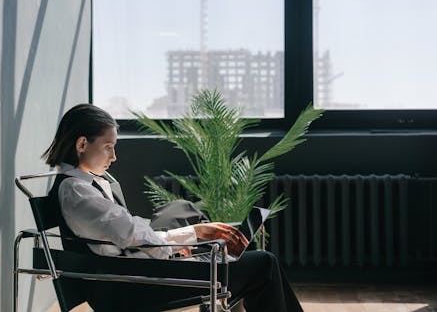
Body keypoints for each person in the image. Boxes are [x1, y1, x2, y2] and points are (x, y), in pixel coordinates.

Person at [42, 103, 303, 312]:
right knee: (264, 264)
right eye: (108, 147)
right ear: (81, 145)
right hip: (132, 286)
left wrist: (194, 233)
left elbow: (129, 234)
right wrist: (180, 248)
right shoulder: (78, 191)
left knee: (198, 222)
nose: (114, 156)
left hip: (132, 273)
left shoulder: (86, 183)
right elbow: (133, 234)